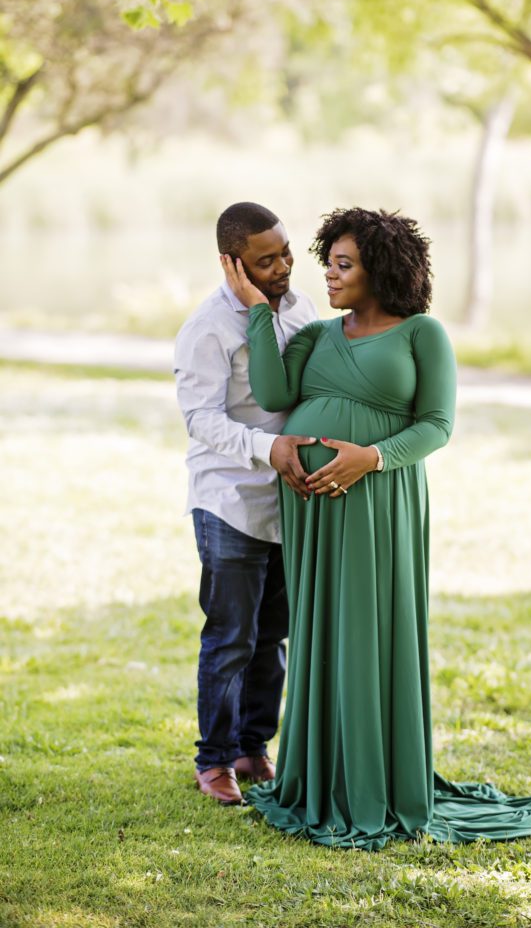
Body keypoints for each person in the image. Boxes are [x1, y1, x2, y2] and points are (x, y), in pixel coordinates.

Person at [224, 206, 531, 848]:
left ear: (378, 269)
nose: (328, 275)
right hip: (314, 507)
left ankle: (375, 778)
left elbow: (437, 425)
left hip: (379, 500)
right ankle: (319, 771)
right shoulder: (313, 335)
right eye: (328, 262)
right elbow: (274, 395)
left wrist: (371, 457)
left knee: (367, 629)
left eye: (342, 264)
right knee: (320, 631)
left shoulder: (423, 335)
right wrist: (255, 308)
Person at [174, 201, 318, 806]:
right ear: (232, 263)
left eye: (286, 252)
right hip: (229, 500)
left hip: (288, 505)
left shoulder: (299, 307)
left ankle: (253, 746)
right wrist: (268, 447)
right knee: (232, 636)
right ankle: (214, 761)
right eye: (267, 260)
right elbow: (200, 419)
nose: (284, 266)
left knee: (273, 636)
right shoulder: (208, 327)